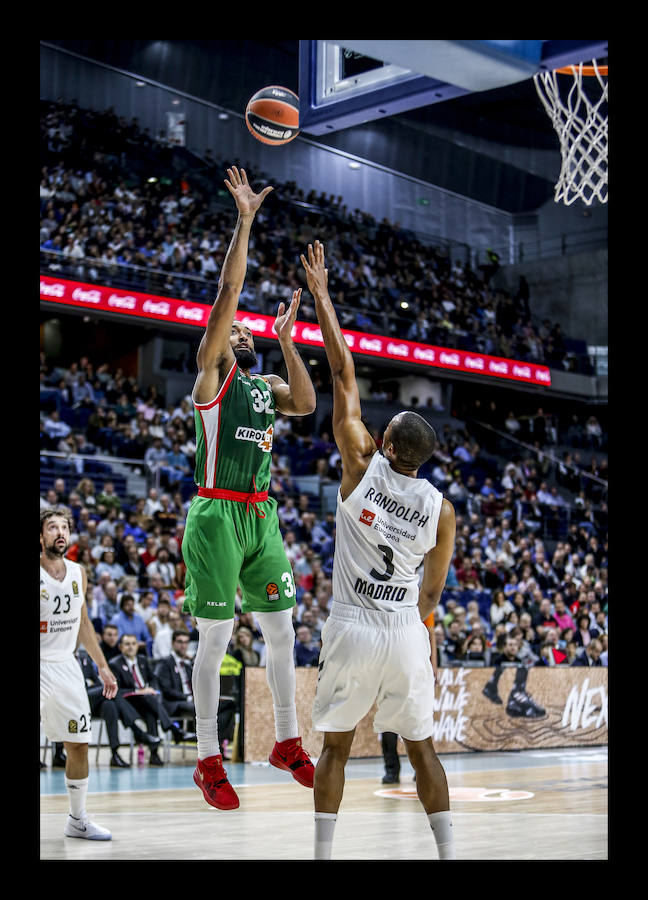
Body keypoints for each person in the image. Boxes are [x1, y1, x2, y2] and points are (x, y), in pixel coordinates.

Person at [300, 240, 457, 861]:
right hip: (403, 628)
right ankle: (447, 855)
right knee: (423, 750)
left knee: (336, 748)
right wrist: (416, 631)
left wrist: (322, 297)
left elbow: (342, 374)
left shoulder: (360, 466)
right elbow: (434, 593)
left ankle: (322, 857)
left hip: (354, 626)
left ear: (386, 444)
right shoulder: (441, 510)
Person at [181, 167, 317, 811]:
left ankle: (287, 740)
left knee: (284, 632)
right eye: (233, 327)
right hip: (215, 516)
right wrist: (245, 220)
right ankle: (209, 758)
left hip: (262, 519)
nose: (241, 330)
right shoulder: (212, 378)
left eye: (245, 330)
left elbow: (309, 403)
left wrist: (291, 342)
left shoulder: (264, 388)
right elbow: (229, 288)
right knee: (214, 639)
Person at [40, 506, 116, 840]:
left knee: (79, 743)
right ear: (40, 536)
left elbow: (83, 622)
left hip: (67, 666)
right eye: (52, 527)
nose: (60, 532)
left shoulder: (78, 572)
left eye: (64, 527)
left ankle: (77, 819)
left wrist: (102, 665)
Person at [109, 634, 195, 765]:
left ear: (138, 646)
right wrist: (139, 691)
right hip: (128, 703)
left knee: (151, 712)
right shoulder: (115, 664)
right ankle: (173, 730)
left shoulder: (143, 660)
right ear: (121, 647)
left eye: (133, 643)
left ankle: (154, 754)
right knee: (149, 701)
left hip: (146, 701)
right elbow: (116, 690)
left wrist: (153, 690)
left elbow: (153, 679)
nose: (131, 647)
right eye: (127, 644)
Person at [75, 647, 161, 767]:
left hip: (93, 700)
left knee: (110, 705)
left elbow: (96, 681)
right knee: (111, 688)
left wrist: (91, 684)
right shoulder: (62, 657)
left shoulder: (84, 656)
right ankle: (138, 732)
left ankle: (114, 753)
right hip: (75, 699)